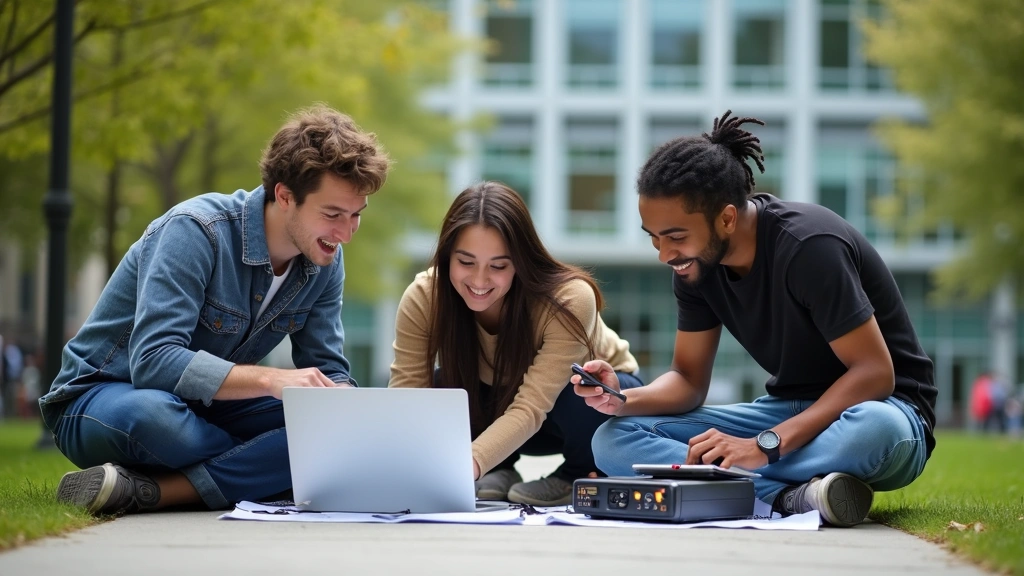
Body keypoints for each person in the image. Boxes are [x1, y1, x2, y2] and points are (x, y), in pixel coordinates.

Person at [576, 111, 938, 527]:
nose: (664, 254)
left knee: (875, 429)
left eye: (675, 237)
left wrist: (764, 445)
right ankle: (793, 498)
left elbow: (875, 374)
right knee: (614, 440)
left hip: (882, 410)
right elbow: (689, 381)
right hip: (786, 410)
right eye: (654, 238)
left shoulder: (808, 246)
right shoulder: (694, 269)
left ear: (727, 218)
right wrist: (621, 398)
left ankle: (741, 486)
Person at [39, 105, 391, 516]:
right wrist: (270, 382)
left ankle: (157, 489)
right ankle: (270, 471)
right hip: (105, 396)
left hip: (209, 408)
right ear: (284, 196)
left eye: (356, 217)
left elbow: (327, 369)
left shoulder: (325, 258)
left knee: (339, 425)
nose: (345, 233)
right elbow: (153, 361)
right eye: (332, 214)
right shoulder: (195, 230)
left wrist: (344, 405)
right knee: (157, 417)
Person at [389, 182, 642, 506]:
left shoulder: (569, 299)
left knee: (581, 386)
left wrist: (465, 464)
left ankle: (575, 475)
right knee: (441, 384)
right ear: (447, 256)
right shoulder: (425, 295)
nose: (479, 281)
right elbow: (407, 394)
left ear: (521, 261)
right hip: (496, 405)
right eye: (466, 262)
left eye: (498, 266)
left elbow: (531, 406)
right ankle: (501, 468)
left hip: (585, 409)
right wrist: (400, 466)